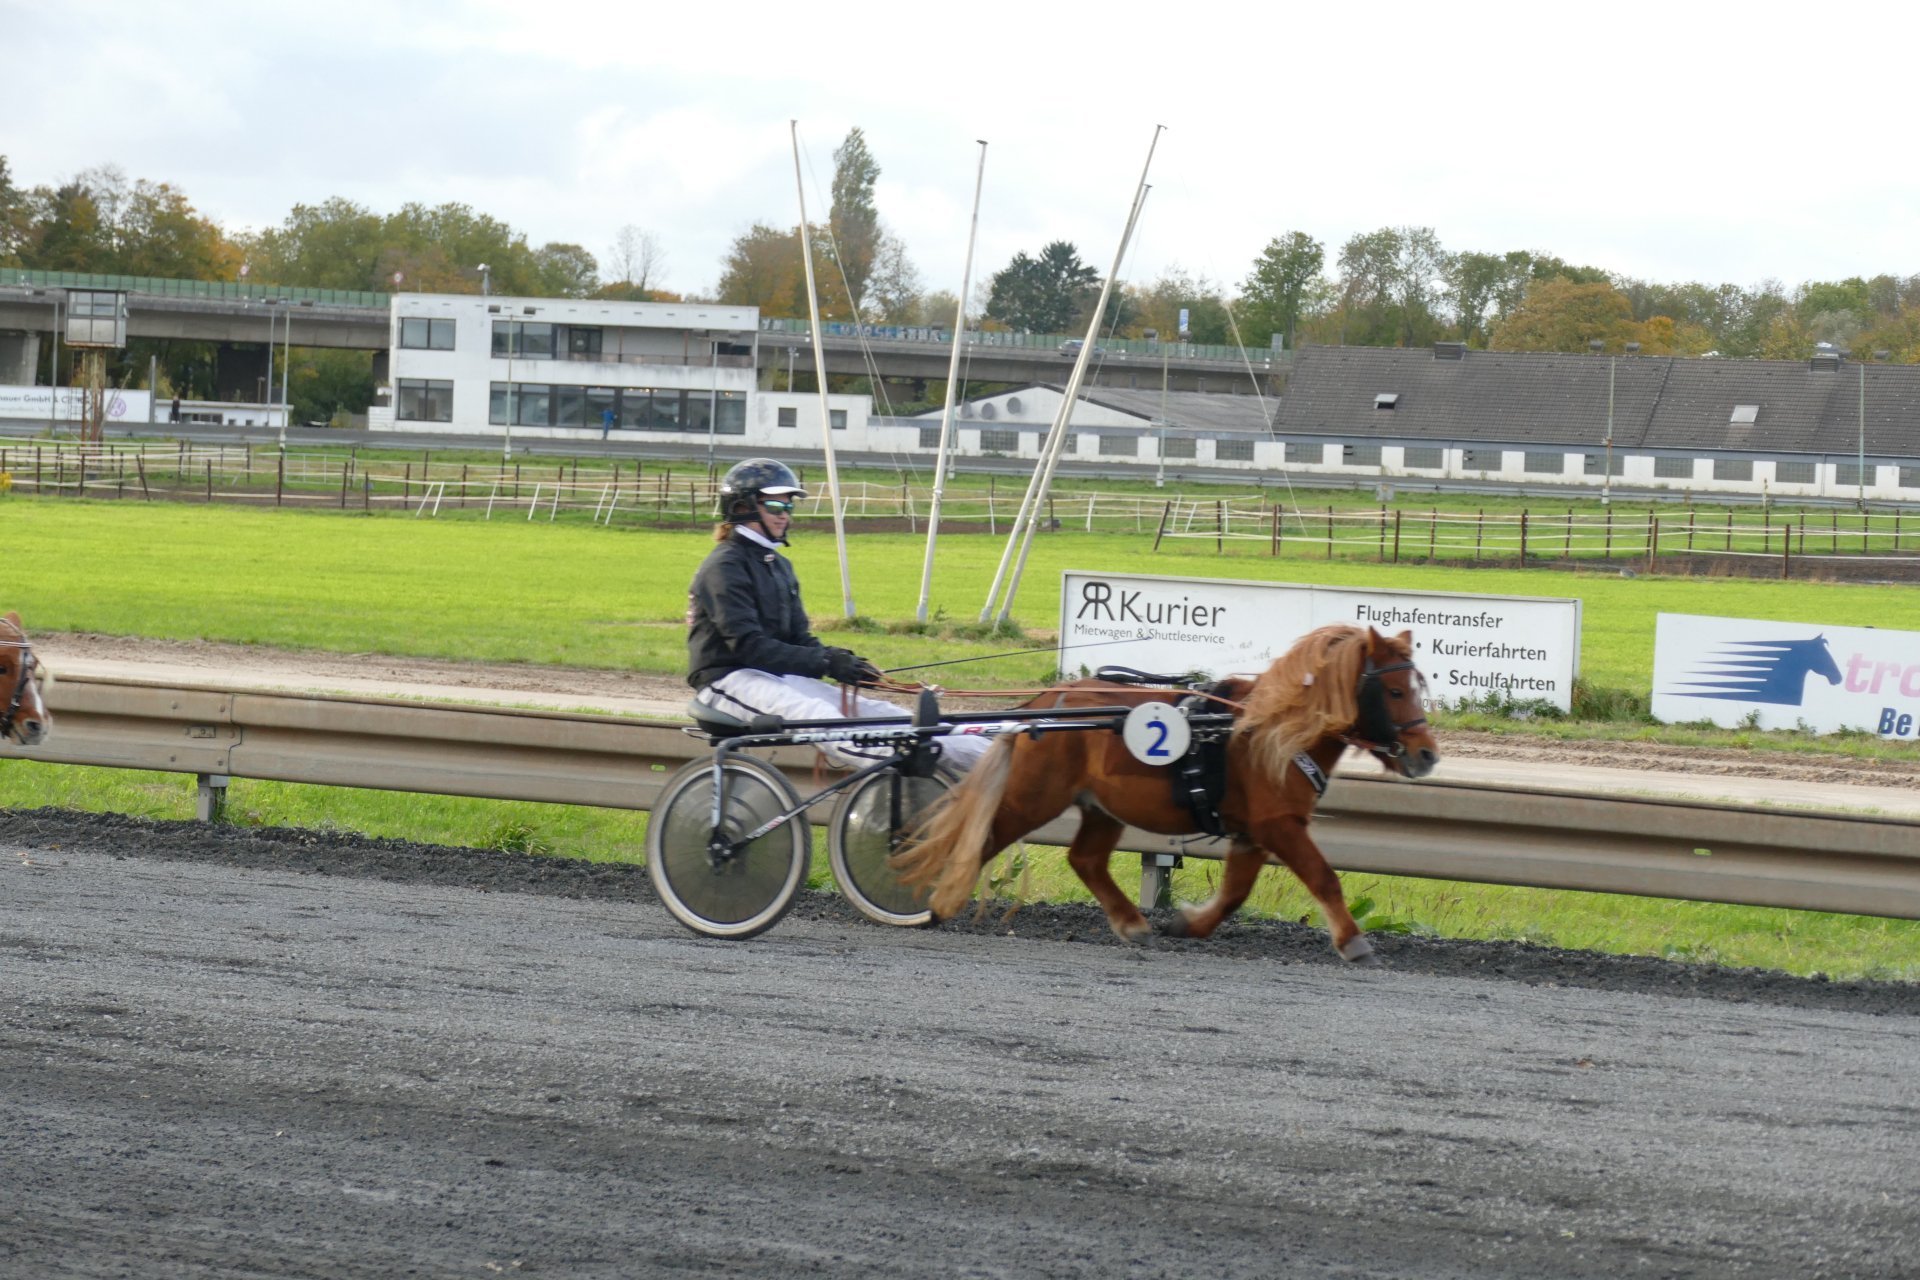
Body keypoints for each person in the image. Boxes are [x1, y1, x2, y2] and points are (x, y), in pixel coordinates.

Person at [688, 458, 990, 772]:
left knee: (878, 712)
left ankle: (992, 756)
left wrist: (845, 663)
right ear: (742, 508)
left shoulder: (778, 565)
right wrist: (826, 662)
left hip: (775, 676)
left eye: (788, 507)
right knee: (818, 715)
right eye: (775, 506)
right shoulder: (724, 567)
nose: (784, 514)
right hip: (728, 679)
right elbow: (750, 647)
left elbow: (798, 639)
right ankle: (905, 761)